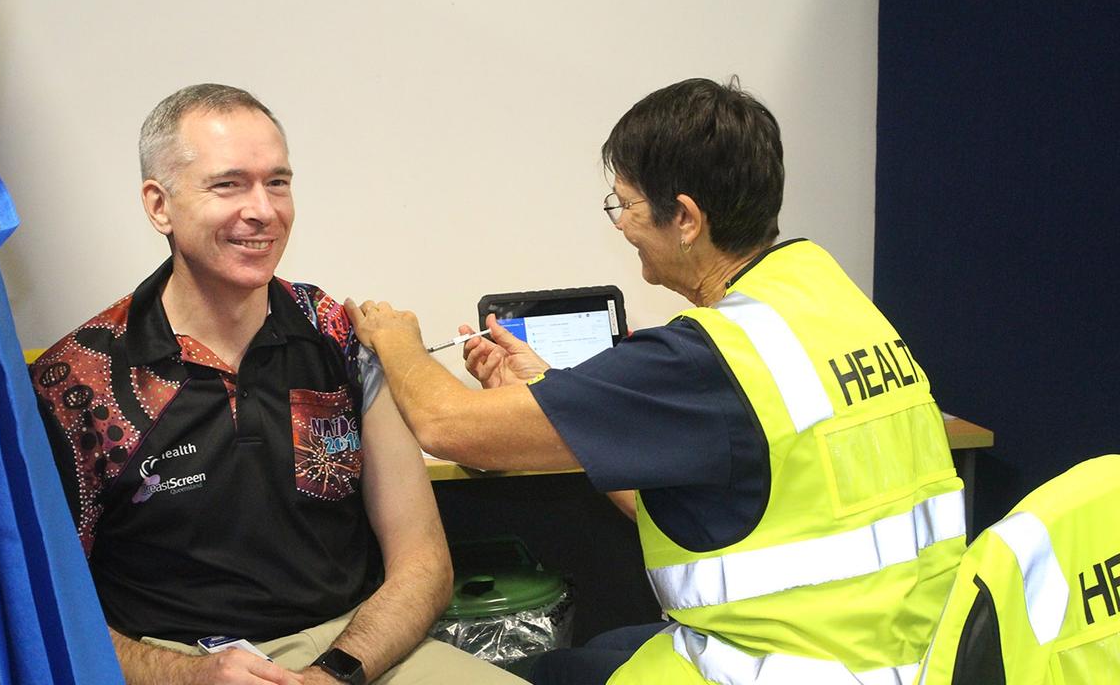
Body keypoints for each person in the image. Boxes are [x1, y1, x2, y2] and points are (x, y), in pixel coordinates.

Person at [344, 77, 968, 684]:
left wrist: (396, 341)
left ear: (687, 218)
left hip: (776, 664)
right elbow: (731, 496)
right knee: (598, 651)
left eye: (626, 203)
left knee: (549, 671)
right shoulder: (830, 300)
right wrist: (557, 394)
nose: (619, 223)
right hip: (911, 655)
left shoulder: (706, 360)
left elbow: (447, 425)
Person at [30, 84, 523, 685]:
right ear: (159, 205)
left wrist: (334, 672)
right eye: (228, 184)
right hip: (179, 663)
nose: (263, 209)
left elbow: (423, 563)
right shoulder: (79, 382)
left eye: (278, 182)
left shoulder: (341, 336)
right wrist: (191, 676)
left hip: (352, 645)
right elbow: (47, 611)